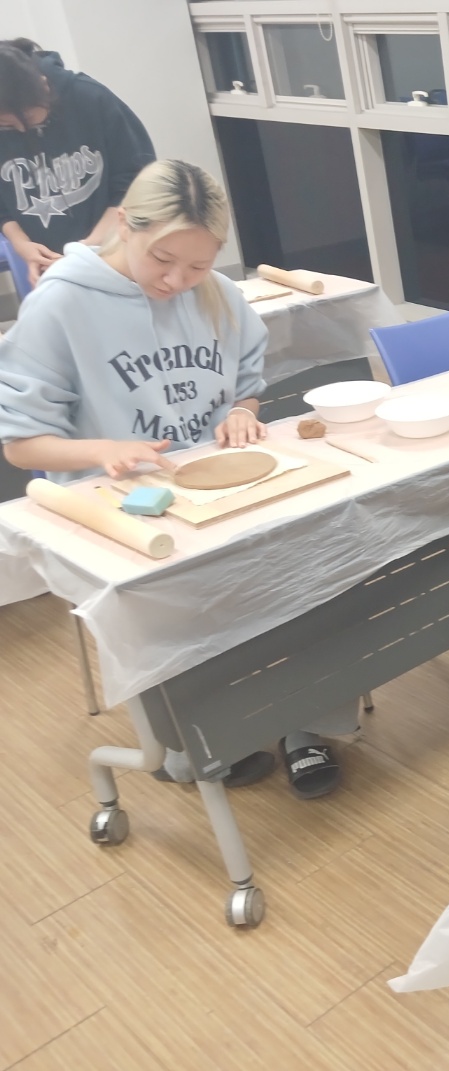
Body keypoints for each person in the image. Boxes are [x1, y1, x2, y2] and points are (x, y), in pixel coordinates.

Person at [0, 160, 350, 798]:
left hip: (226, 485)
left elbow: (245, 385)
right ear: (124, 226)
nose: (177, 281)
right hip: (131, 509)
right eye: (162, 260)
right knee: (184, 611)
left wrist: (242, 412)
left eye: (197, 266)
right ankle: (199, 737)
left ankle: (304, 722)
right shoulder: (62, 303)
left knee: (307, 562)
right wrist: (104, 448)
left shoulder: (215, 293)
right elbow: (21, 444)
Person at [0, 38, 155, 287]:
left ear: (44, 86)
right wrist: (22, 244)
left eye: (28, 117)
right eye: (6, 125)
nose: (21, 130)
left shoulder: (90, 98)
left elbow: (136, 181)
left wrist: (86, 249)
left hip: (117, 252)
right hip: (50, 266)